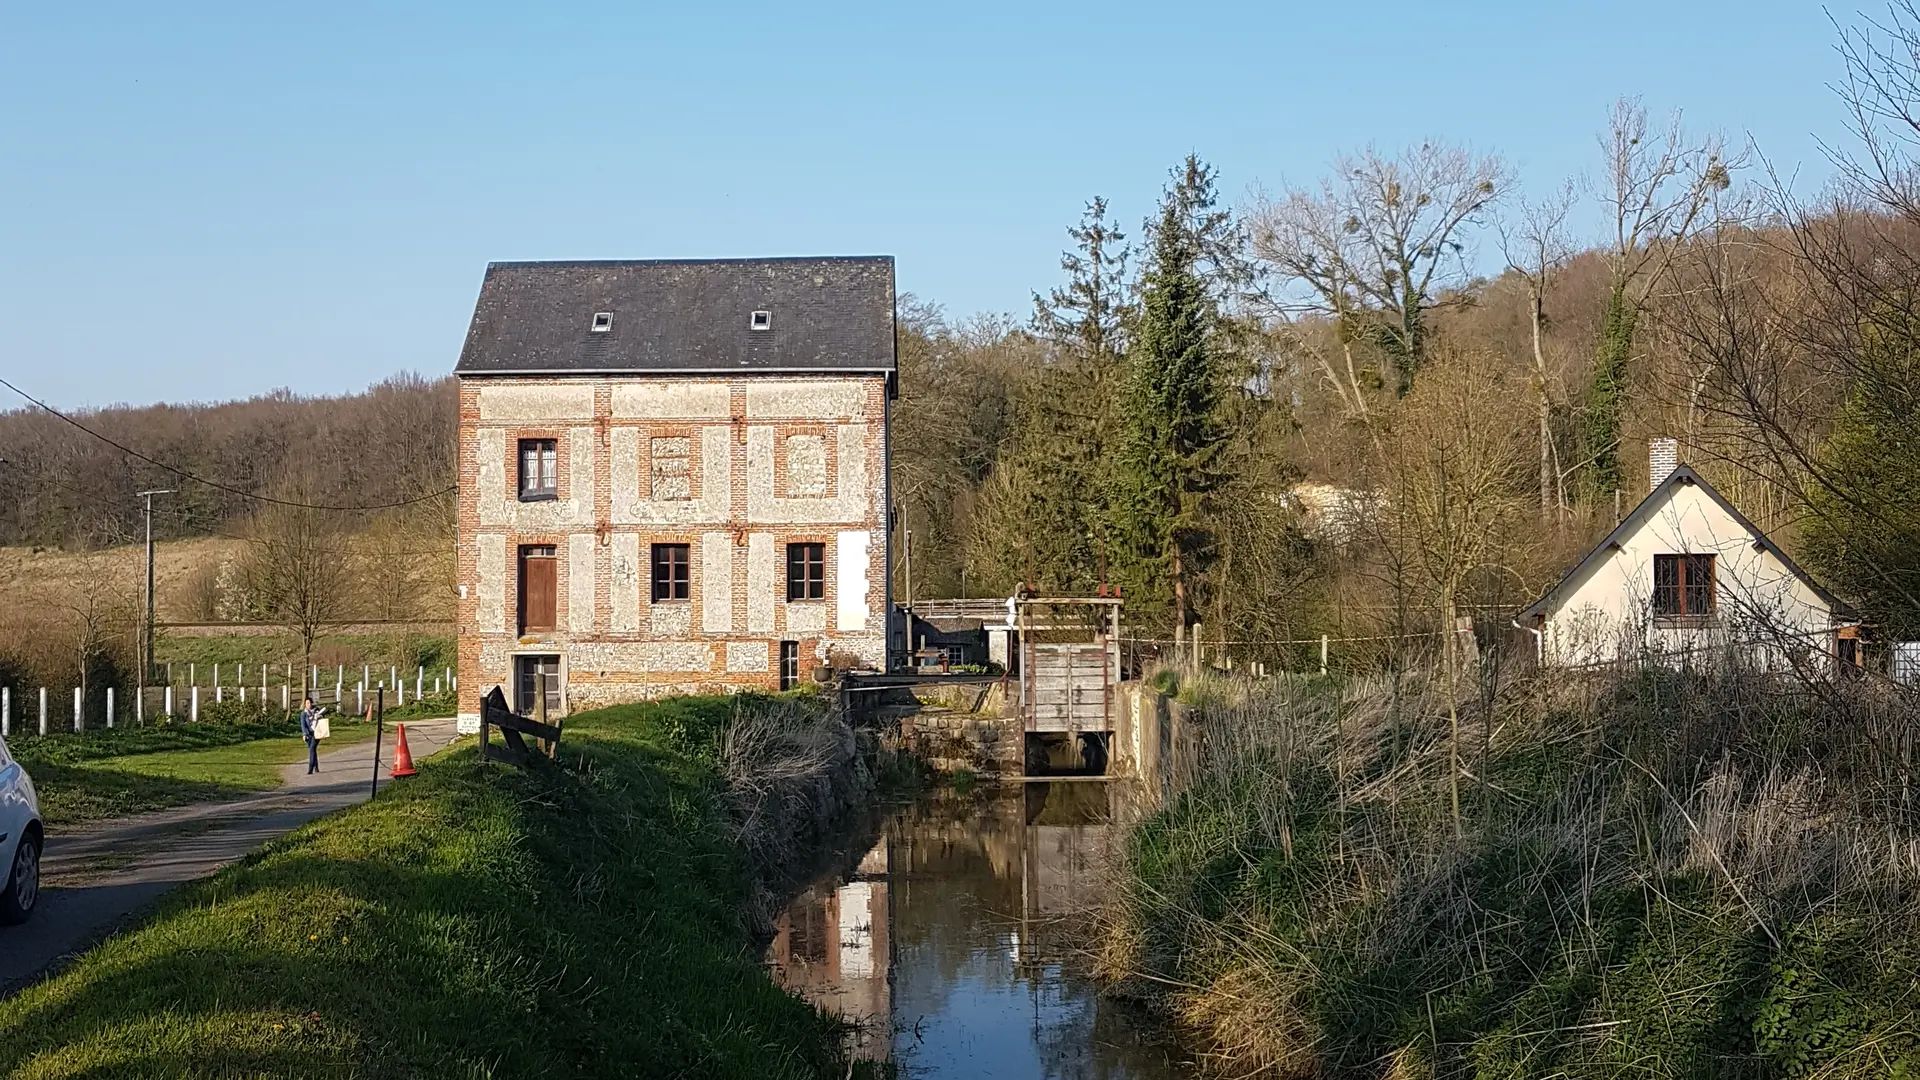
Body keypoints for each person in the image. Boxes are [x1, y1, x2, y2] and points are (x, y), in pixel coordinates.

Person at [299, 697, 320, 775]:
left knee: (312, 749)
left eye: (310, 703)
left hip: (317, 733)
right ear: (305, 704)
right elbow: (303, 725)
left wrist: (318, 716)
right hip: (308, 734)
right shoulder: (303, 714)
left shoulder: (317, 711)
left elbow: (322, 721)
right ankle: (316, 766)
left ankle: (310, 768)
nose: (309, 704)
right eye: (307, 703)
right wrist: (304, 734)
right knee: (313, 750)